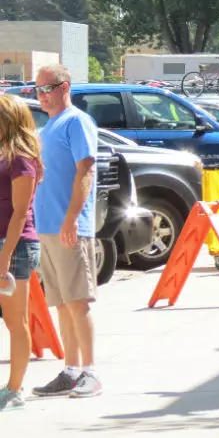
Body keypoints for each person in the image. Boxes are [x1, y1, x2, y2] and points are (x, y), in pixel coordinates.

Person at [31, 64, 102, 399]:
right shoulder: (48, 127)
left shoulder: (77, 121)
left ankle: (90, 372)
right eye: (38, 89)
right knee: (61, 302)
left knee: (78, 301)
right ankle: (70, 370)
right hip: (47, 227)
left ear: (65, 87)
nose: (42, 95)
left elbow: (85, 170)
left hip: (69, 226)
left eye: (48, 88)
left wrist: (72, 218)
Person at [0, 96, 41, 411]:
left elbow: (19, 211)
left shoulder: (21, 159)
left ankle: (15, 389)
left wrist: (5, 257)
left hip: (14, 246)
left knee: (16, 321)